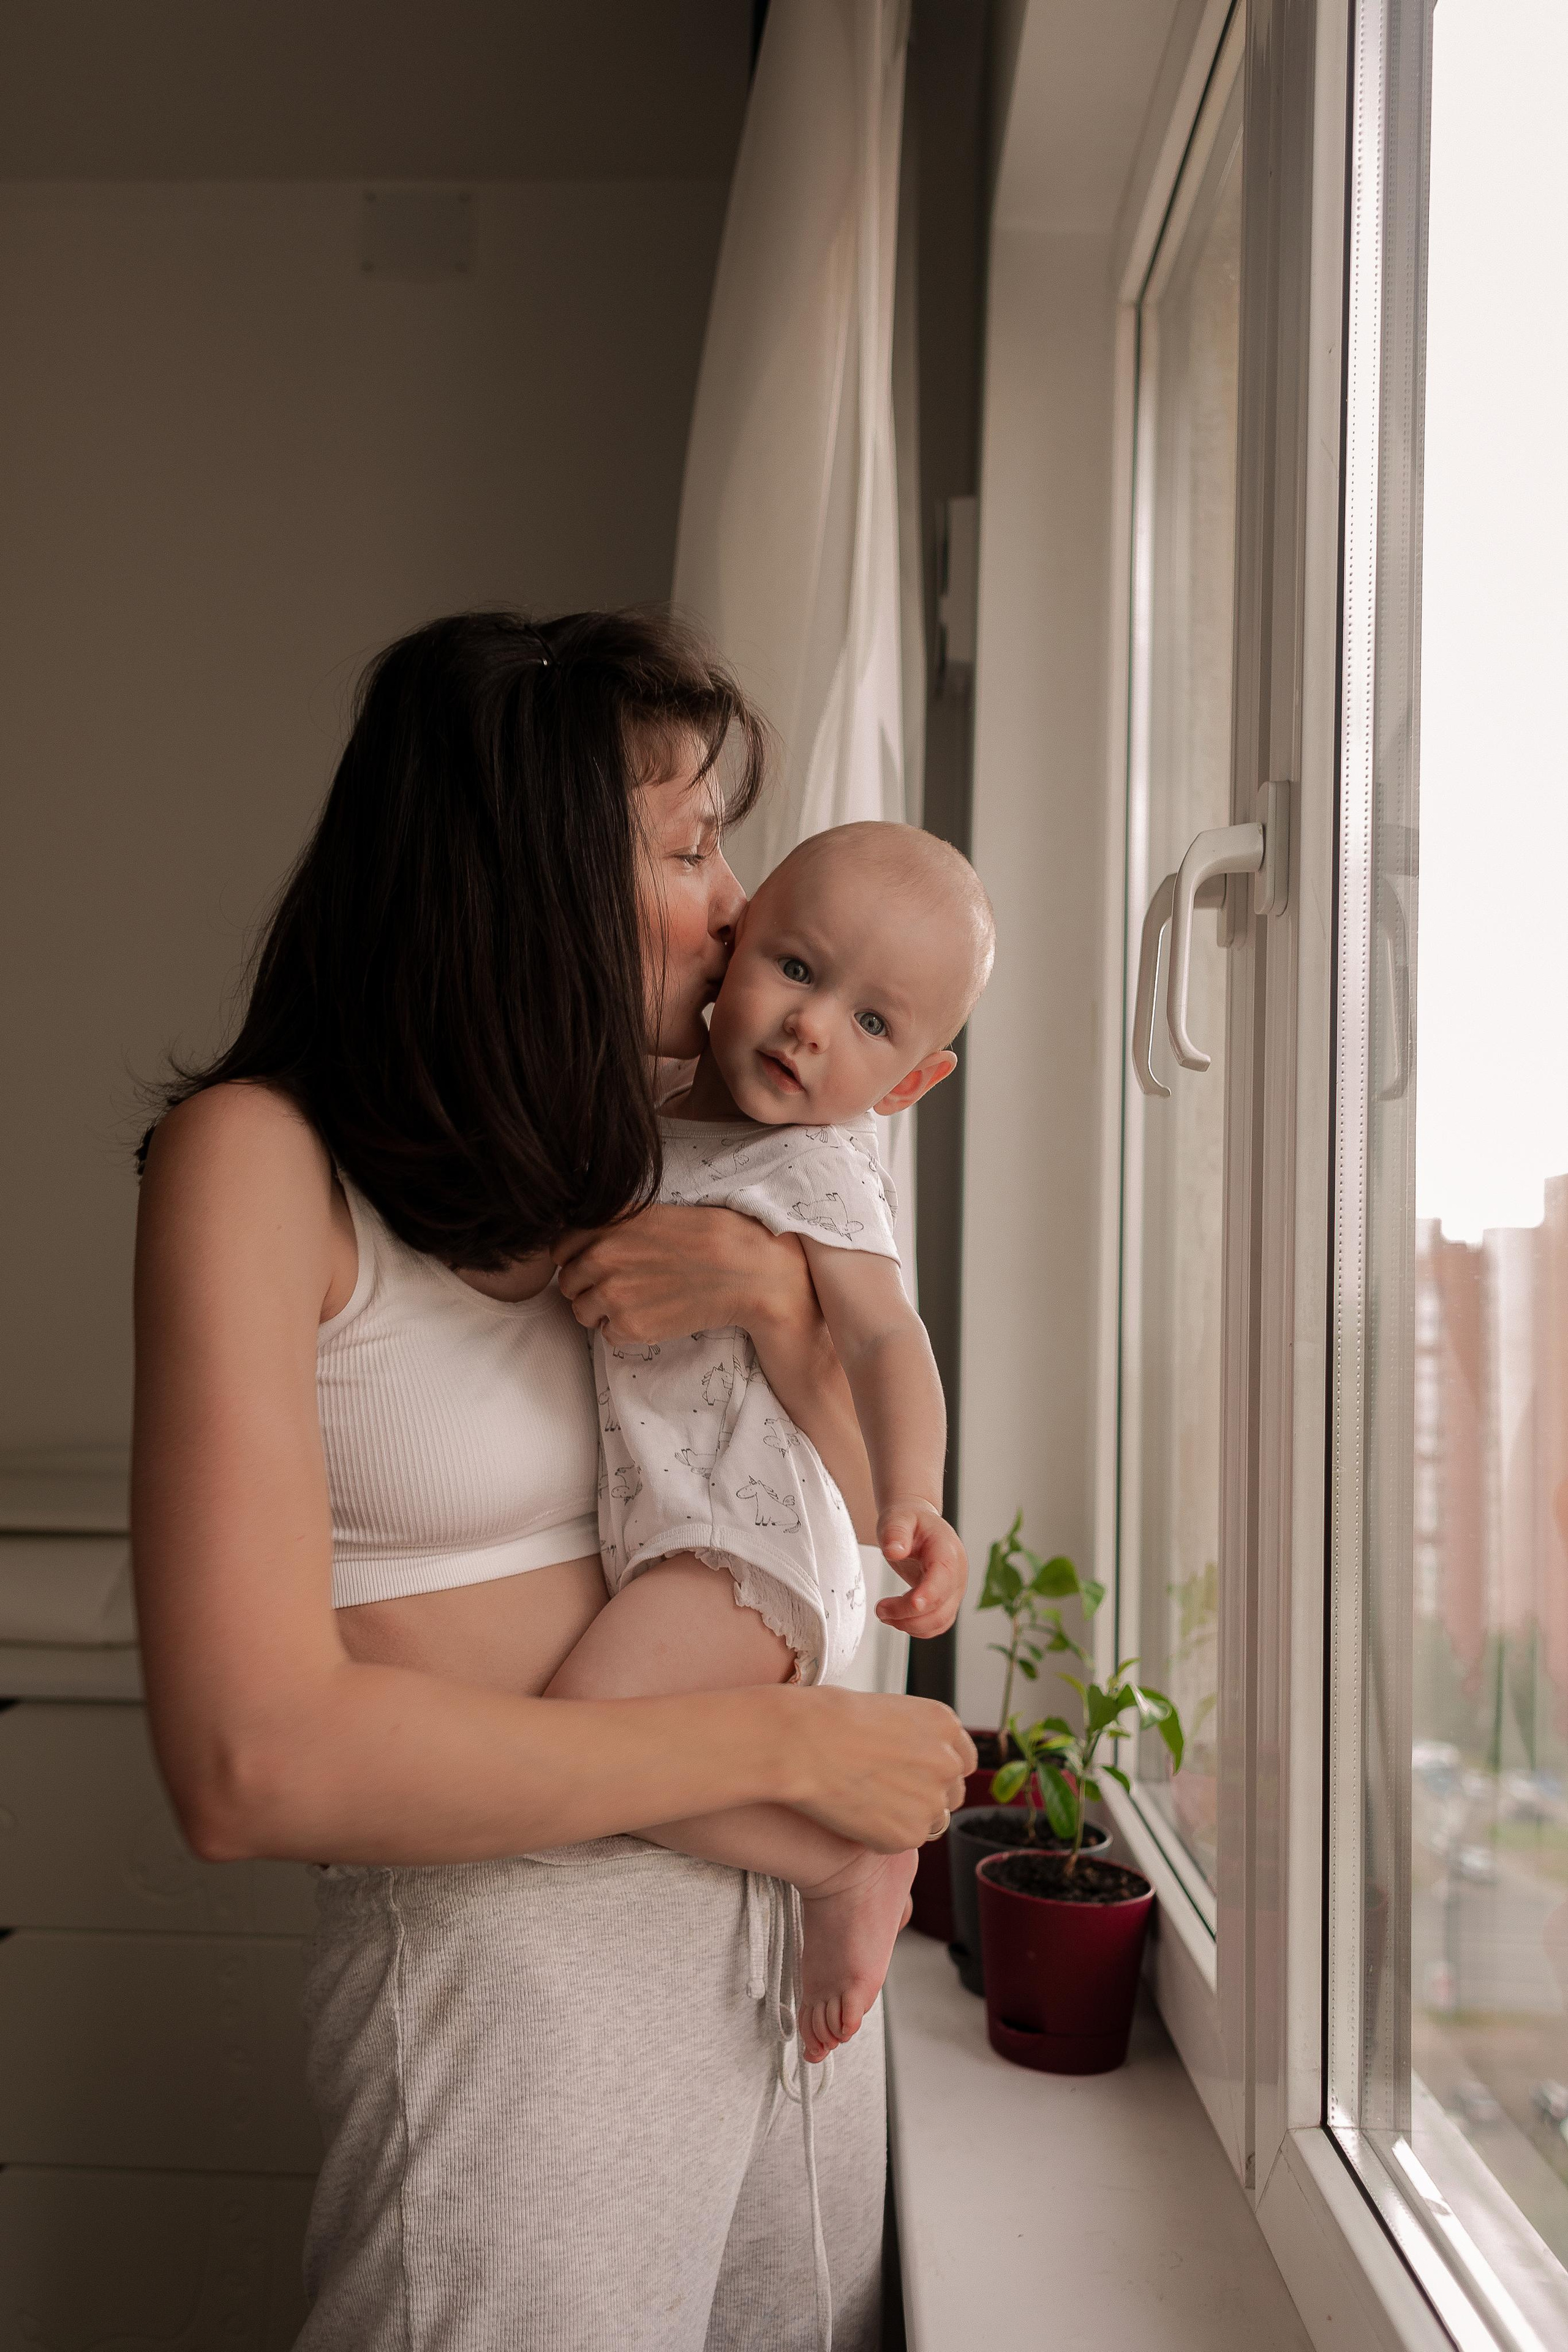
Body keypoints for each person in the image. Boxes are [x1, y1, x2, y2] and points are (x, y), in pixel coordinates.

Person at [130, 609, 974, 2352]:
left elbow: (833, 1519)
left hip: (781, 1964)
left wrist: (764, 1293)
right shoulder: (258, 1165)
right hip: (525, 1976)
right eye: (686, 847)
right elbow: (246, 1763)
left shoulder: (651, 1143)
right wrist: (794, 1758)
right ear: (526, 883)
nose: (742, 907)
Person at [550, 820, 994, 2066]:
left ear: (908, 1083)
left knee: (587, 1731)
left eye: (871, 1025)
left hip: (745, 1539)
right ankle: (831, 1845)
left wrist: (915, 1497)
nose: (811, 1026)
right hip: (672, 1525)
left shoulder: (817, 1171)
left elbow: (885, 1342)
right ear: (731, 948)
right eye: (798, 971)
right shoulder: (642, 1120)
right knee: (600, 1742)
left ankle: (841, 1862)